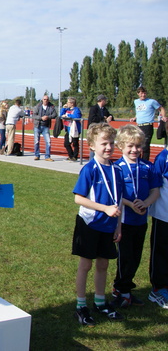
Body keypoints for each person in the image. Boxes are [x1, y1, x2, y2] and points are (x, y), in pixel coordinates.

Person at [72, 123, 124, 326]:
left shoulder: (117, 170)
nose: (108, 147)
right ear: (92, 146)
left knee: (103, 264)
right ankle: (81, 305)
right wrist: (104, 209)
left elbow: (119, 201)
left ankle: (101, 302)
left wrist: (118, 225)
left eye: (111, 143)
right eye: (104, 143)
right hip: (89, 223)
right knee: (86, 264)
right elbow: (79, 198)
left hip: (109, 225)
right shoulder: (90, 169)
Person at [112, 125, 160, 307]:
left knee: (136, 256)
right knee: (125, 257)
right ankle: (122, 290)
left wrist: (146, 203)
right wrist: (130, 203)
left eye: (138, 146)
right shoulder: (117, 167)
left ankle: (124, 289)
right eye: (130, 146)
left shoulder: (148, 167)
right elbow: (115, 195)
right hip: (123, 221)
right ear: (121, 146)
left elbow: (155, 191)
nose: (135, 150)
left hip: (141, 219)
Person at [148, 120, 168, 309]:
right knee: (161, 251)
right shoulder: (163, 158)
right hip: (164, 216)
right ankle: (158, 288)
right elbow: (155, 186)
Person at [130, 86, 165, 161]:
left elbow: (161, 108)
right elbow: (139, 112)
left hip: (147, 126)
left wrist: (163, 116)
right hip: (139, 126)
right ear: (138, 94)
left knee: (145, 147)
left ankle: (145, 162)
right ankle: (138, 161)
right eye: (141, 93)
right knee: (137, 145)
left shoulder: (151, 101)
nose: (143, 95)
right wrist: (135, 118)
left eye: (144, 93)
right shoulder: (136, 101)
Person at [32, 95, 57, 161]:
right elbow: (34, 115)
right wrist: (41, 118)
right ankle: (37, 155)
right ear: (42, 100)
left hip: (46, 126)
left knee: (48, 141)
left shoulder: (51, 107)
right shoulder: (38, 106)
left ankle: (47, 156)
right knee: (36, 141)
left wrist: (48, 117)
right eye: (44, 99)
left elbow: (54, 114)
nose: (46, 100)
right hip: (37, 126)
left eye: (47, 99)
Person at [61, 97, 82, 161]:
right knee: (66, 143)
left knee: (75, 143)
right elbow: (61, 115)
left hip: (75, 129)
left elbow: (77, 116)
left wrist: (68, 116)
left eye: (68, 102)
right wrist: (63, 108)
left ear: (72, 103)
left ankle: (75, 156)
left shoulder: (76, 110)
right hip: (68, 129)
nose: (67, 103)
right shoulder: (67, 109)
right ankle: (71, 155)